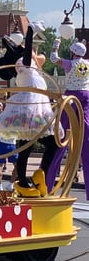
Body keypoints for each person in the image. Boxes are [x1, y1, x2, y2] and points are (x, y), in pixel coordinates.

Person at [0, 23, 57, 197]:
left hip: (34, 107)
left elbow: (35, 57)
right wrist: (30, 33)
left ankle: (28, 179)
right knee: (48, 143)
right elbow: (28, 55)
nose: (33, 52)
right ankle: (30, 179)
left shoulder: (28, 67)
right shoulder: (22, 62)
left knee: (28, 146)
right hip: (31, 108)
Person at [50, 37, 89, 186]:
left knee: (63, 133)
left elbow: (54, 58)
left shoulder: (70, 64)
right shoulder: (87, 63)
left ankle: (50, 180)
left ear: (73, 53)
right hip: (86, 96)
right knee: (86, 135)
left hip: (71, 96)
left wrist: (56, 44)